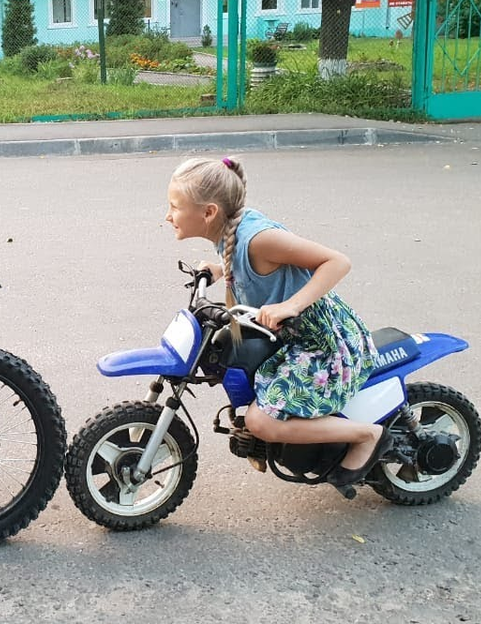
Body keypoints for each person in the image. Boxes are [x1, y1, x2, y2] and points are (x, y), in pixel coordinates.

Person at [164, 156, 391, 487]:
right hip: (286, 338)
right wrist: (218, 269)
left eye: (174, 206)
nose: (168, 215)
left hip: (322, 345)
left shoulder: (258, 238)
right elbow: (244, 262)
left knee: (261, 422)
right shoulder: (227, 230)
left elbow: (337, 261)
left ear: (209, 212)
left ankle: (367, 435)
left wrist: (290, 305)